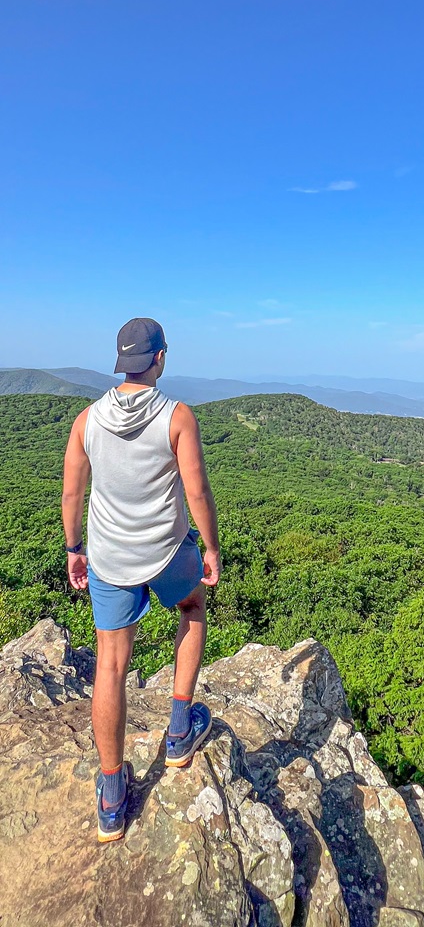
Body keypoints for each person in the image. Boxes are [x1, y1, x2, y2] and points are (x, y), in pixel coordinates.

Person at [62, 317, 222, 843]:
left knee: (110, 662)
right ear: (159, 359)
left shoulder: (86, 420)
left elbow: (71, 495)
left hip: (108, 557)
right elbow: (196, 494)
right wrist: (212, 550)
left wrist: (74, 549)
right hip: (166, 551)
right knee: (193, 608)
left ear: (120, 362)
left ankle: (112, 799)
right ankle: (179, 732)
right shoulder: (177, 417)